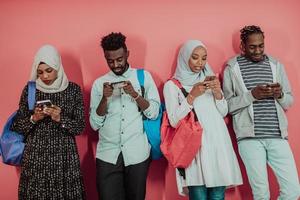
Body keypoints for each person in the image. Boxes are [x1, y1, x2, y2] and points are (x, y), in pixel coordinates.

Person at [223, 25, 300, 200]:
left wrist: (279, 94)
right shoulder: (232, 68)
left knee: (293, 190)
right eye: (252, 46)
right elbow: (227, 106)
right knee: (261, 194)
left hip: (277, 136)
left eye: (261, 45)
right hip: (249, 139)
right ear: (243, 46)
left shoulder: (275, 65)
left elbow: (289, 101)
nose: (258, 50)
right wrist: (252, 95)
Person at [163, 40, 242, 200]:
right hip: (195, 148)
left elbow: (223, 112)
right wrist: (191, 96)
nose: (200, 63)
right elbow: (173, 121)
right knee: (198, 195)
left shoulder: (209, 77)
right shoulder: (172, 86)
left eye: (204, 58)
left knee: (218, 195)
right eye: (195, 57)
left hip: (217, 144)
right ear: (185, 58)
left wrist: (218, 93)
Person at [89, 32, 160, 200]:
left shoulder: (143, 77)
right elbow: (94, 124)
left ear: (127, 54)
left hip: (137, 153)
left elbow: (154, 113)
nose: (116, 65)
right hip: (107, 155)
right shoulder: (99, 84)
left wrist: (135, 95)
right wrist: (105, 99)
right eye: (110, 61)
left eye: (119, 59)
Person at [11, 45, 86, 199]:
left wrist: (60, 118)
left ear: (57, 66)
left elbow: (80, 127)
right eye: (40, 72)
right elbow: (17, 126)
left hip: (64, 157)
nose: (44, 76)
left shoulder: (73, 90)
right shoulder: (30, 90)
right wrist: (34, 118)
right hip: (36, 158)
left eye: (49, 70)